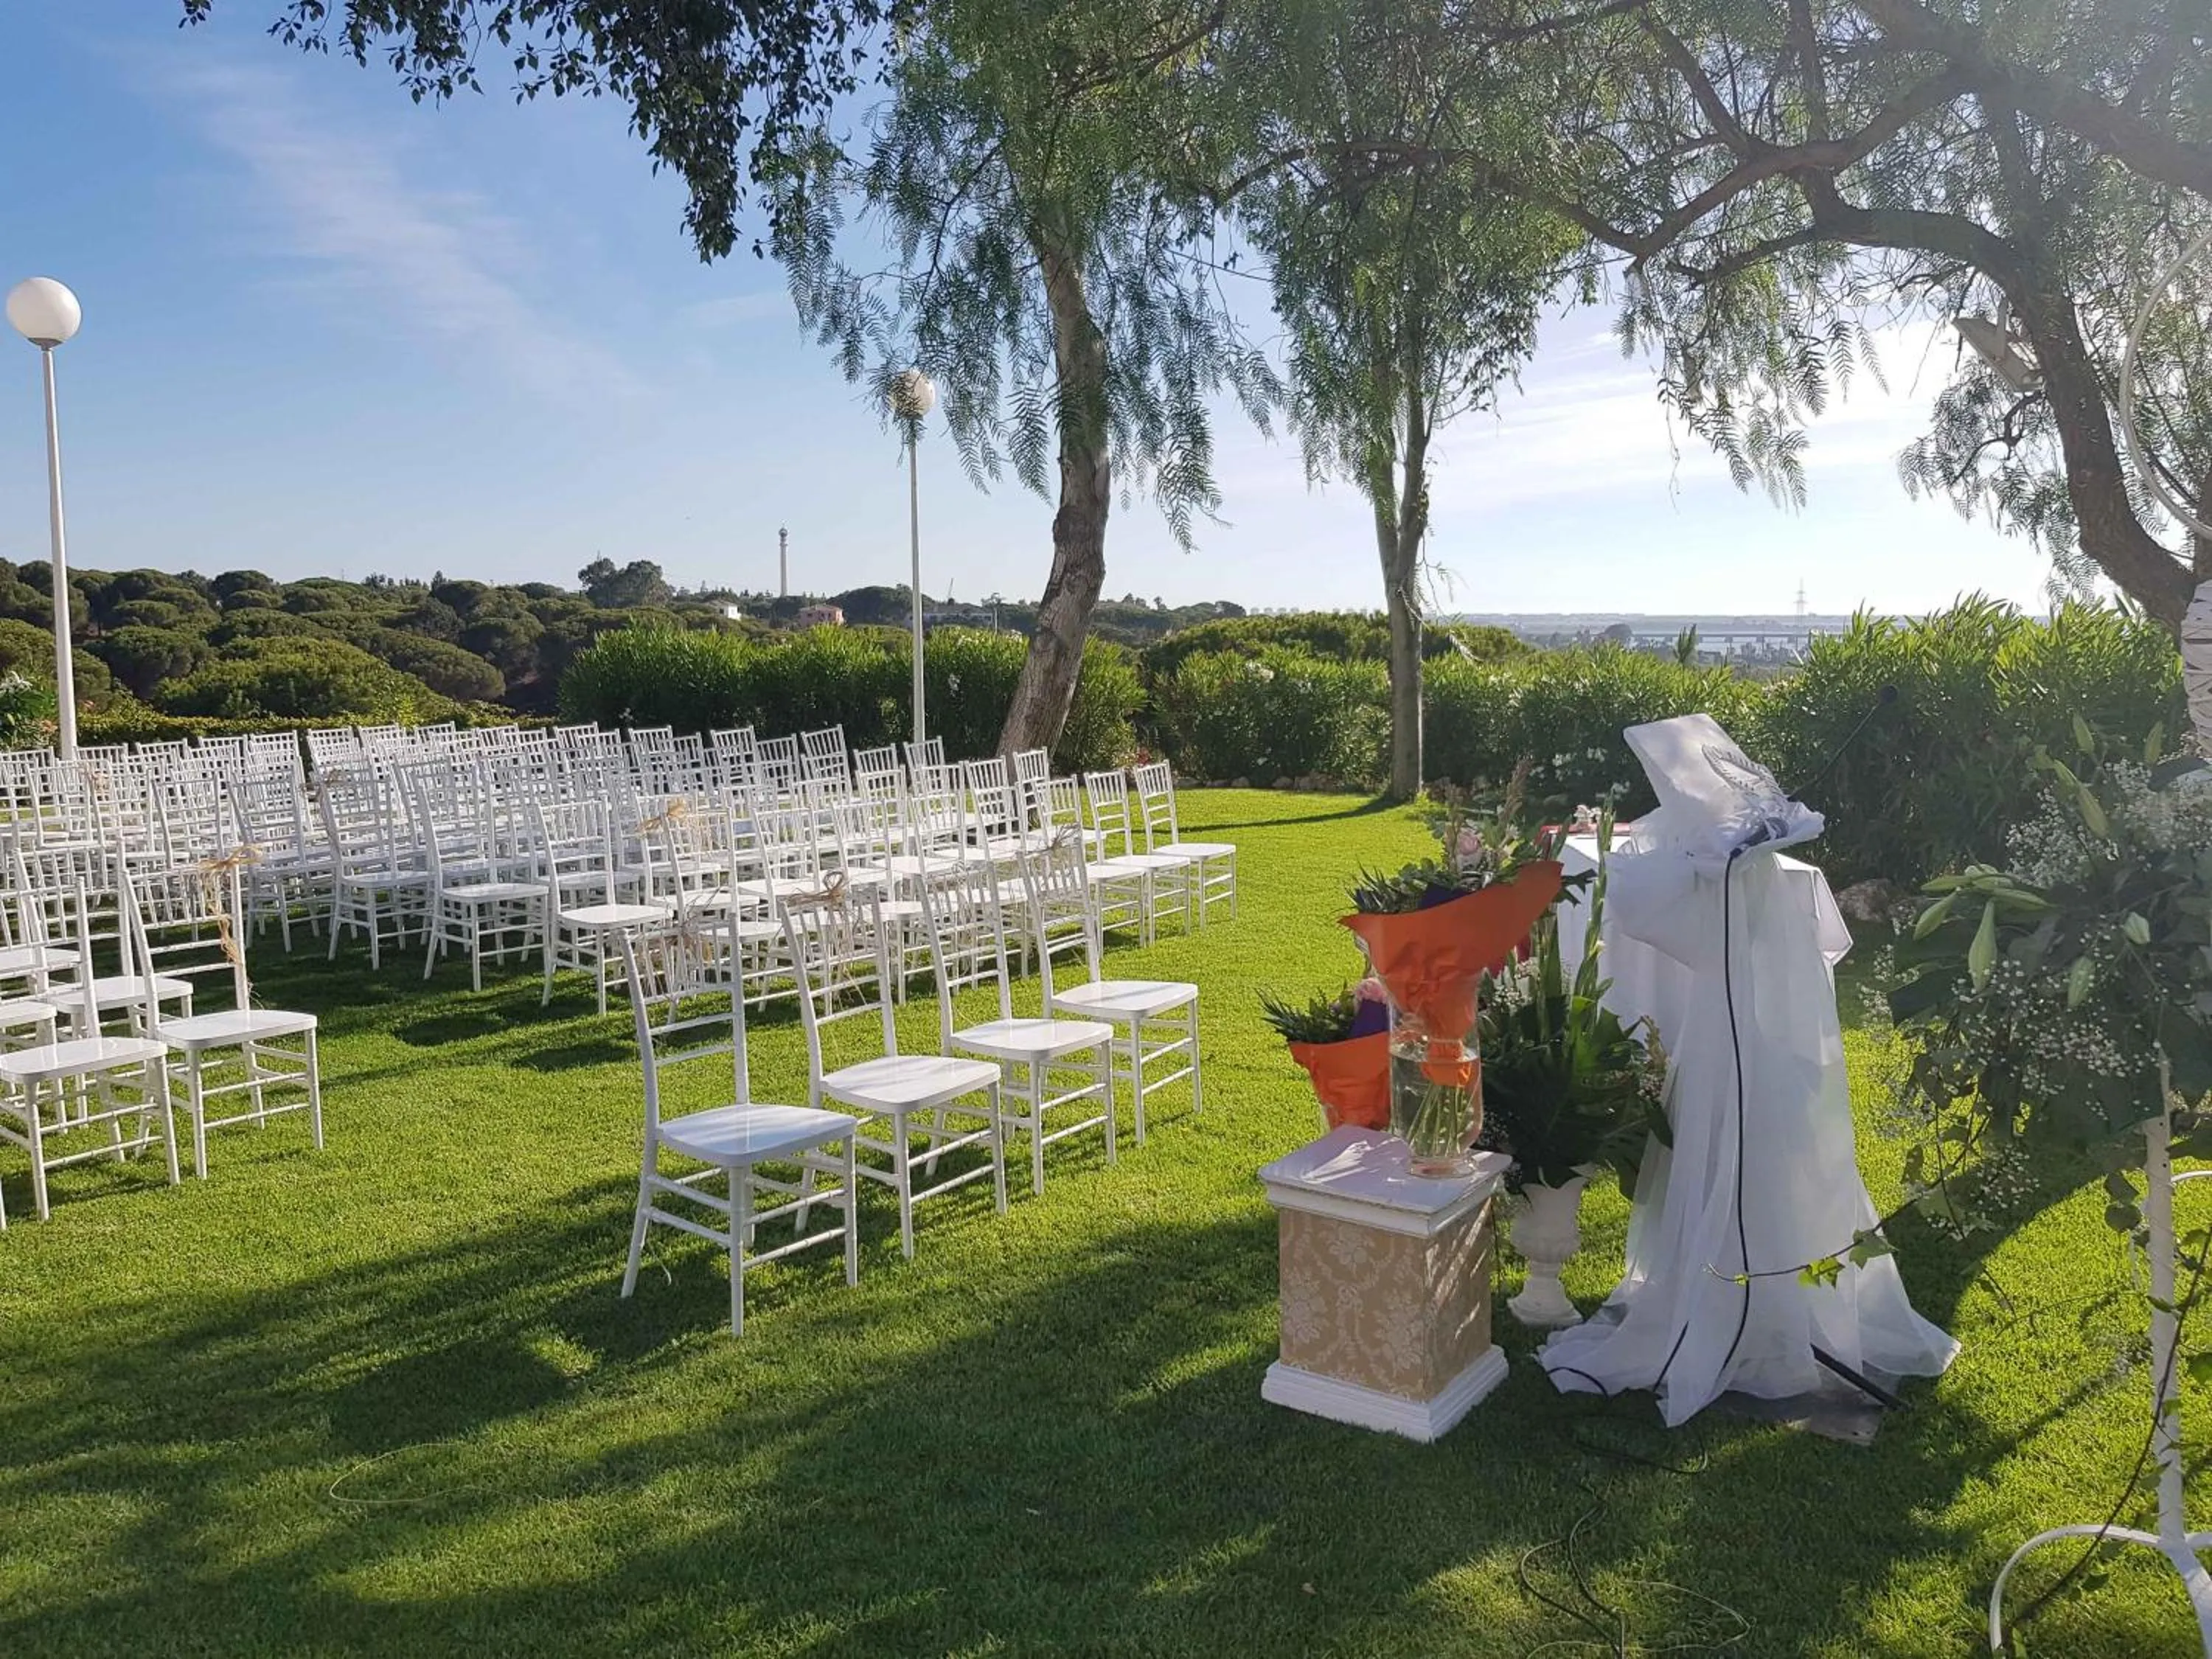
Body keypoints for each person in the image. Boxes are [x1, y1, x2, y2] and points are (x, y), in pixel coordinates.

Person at [1538, 715, 1958, 1424]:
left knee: (1756, 1148)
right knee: (1737, 1149)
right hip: (1737, 1047)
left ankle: (1760, 1304)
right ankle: (1740, 1294)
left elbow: (1639, 906)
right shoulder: (1687, 858)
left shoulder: (1694, 863)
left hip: (1743, 1050)